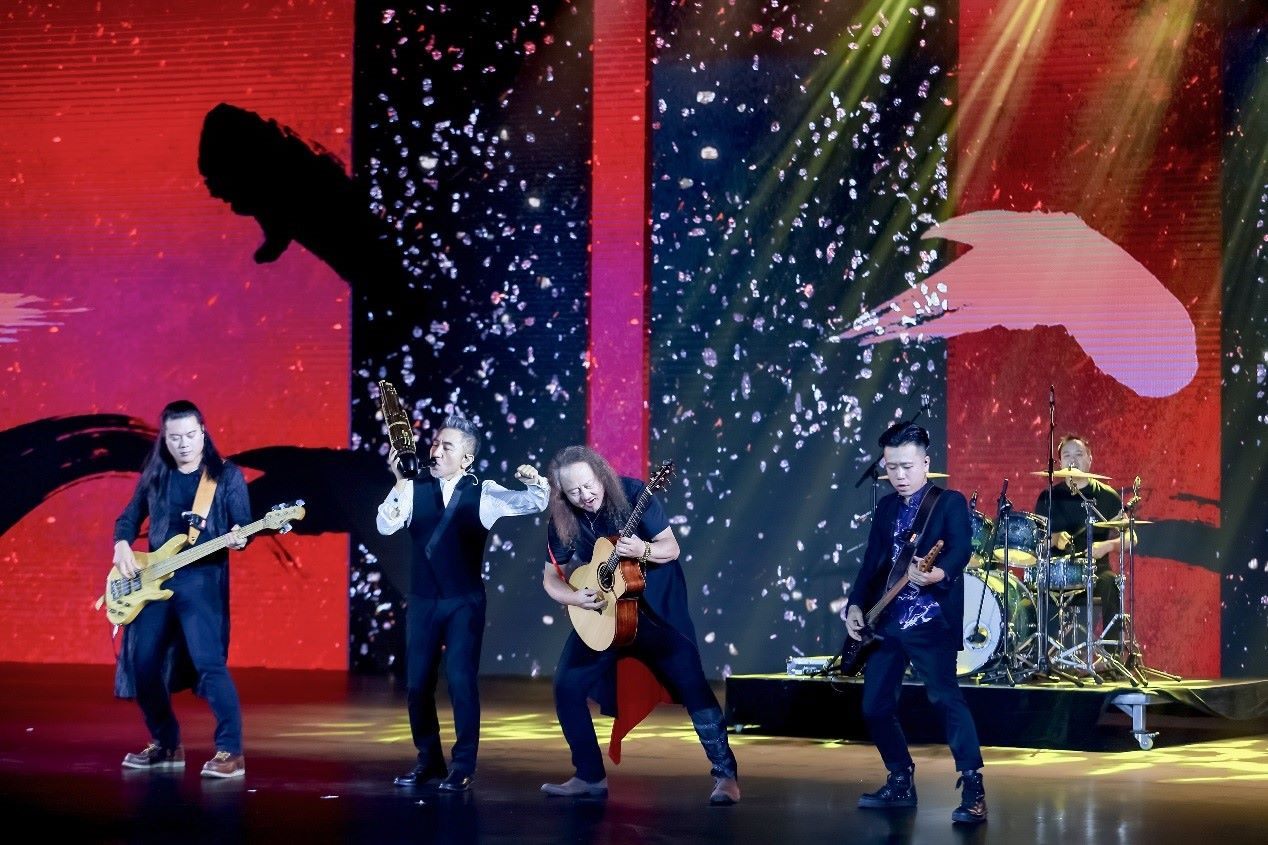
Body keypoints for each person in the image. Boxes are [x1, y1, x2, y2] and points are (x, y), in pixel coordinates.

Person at [538, 445, 740, 806]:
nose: (585, 496)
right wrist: (574, 598)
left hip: (654, 613)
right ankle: (589, 776)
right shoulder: (563, 519)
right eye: (574, 491)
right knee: (567, 685)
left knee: (693, 687)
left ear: (601, 475)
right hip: (605, 613)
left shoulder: (635, 494)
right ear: (563, 495)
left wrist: (642, 550)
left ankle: (725, 776)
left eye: (589, 485)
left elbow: (671, 548)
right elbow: (551, 577)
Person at [376, 414, 548, 792]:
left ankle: (463, 765)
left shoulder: (483, 492)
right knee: (417, 685)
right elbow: (385, 525)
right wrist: (399, 481)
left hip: (463, 603)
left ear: (466, 459)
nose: (436, 451)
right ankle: (428, 761)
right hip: (423, 602)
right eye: (435, 443)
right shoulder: (414, 487)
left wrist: (533, 481)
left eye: (447, 446)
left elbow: (534, 502)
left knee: (460, 681)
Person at [845, 422, 987, 825]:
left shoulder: (949, 502)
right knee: (874, 705)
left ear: (925, 463)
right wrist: (855, 605)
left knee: (946, 699)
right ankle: (900, 778)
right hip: (887, 621)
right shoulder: (887, 508)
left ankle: (973, 786)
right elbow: (871, 562)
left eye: (907, 467)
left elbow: (961, 548)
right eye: (891, 468)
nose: (899, 476)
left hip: (930, 619)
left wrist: (938, 573)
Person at [112, 400, 252, 779]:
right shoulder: (157, 473)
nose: (184, 444)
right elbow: (129, 517)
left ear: (203, 432)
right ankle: (166, 743)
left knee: (208, 664)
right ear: (165, 438)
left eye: (190, 435)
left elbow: (242, 525)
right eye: (175, 438)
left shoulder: (225, 476)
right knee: (142, 665)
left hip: (201, 581)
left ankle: (231, 752)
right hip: (155, 580)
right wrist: (122, 543)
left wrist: (240, 537)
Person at [1034, 434, 1125, 643]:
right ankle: (1043, 653)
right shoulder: (1048, 497)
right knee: (1035, 590)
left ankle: (1111, 652)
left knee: (1112, 584)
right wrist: (1053, 539)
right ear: (1060, 462)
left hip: (1096, 571)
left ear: (1090, 459)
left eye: (1079, 454)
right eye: (1067, 455)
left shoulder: (1107, 496)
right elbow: (1035, 541)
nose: (1073, 459)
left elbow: (1131, 536)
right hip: (1057, 572)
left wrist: (1108, 545)